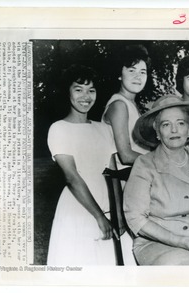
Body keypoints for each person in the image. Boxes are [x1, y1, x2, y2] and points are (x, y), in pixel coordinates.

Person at [124, 95, 189, 265]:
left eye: (180, 123)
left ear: (188, 130)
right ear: (158, 132)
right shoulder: (145, 164)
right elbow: (135, 218)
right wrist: (181, 241)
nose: (174, 130)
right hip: (159, 243)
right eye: (166, 125)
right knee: (185, 272)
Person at [46, 64, 135, 265]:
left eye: (91, 90)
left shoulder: (103, 128)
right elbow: (72, 177)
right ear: (67, 92)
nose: (85, 96)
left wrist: (118, 214)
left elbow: (112, 173)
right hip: (80, 209)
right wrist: (99, 217)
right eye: (78, 89)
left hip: (109, 207)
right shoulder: (59, 128)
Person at [102, 44, 151, 168]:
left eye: (142, 72)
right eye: (131, 70)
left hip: (141, 171)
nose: (138, 76)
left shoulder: (131, 104)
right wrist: (159, 162)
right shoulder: (119, 105)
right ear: (119, 74)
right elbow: (126, 155)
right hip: (126, 177)